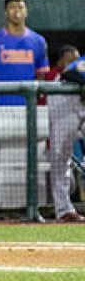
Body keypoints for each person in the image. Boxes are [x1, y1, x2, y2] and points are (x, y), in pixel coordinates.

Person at [48, 46, 85, 222]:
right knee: (60, 155)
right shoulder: (74, 67)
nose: (72, 61)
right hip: (64, 98)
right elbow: (71, 72)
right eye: (69, 59)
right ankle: (64, 210)